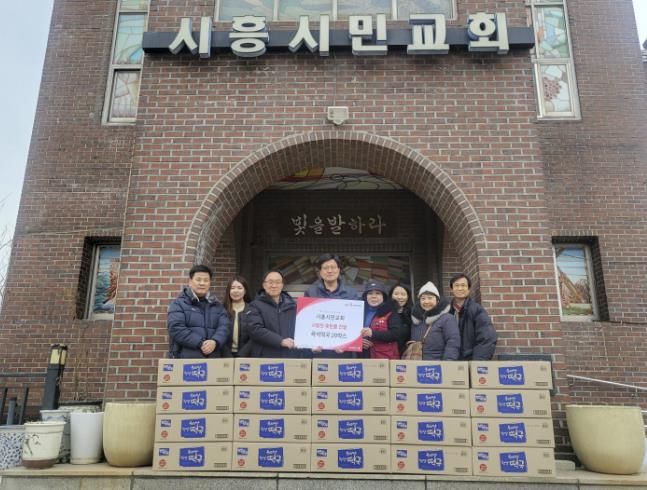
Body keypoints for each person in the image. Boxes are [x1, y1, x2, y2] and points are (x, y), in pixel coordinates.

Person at [167, 264, 231, 358]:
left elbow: (225, 327)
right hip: (186, 359)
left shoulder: (218, 306)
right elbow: (176, 327)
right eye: (198, 279)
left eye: (206, 280)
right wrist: (200, 343)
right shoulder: (178, 304)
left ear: (210, 283)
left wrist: (215, 341)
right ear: (190, 282)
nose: (202, 283)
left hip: (214, 358)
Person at [304, 254, 359, 358]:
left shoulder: (351, 293)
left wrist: (347, 344)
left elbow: (354, 322)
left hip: (343, 353)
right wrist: (310, 343)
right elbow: (306, 322)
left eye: (333, 267)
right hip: (318, 352)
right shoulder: (310, 293)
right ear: (320, 272)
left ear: (339, 270)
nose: (329, 271)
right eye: (325, 268)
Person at [246, 270, 304, 358]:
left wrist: (310, 344)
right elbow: (255, 329)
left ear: (282, 285)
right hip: (265, 357)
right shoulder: (255, 305)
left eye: (277, 282)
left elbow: (301, 329)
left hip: (289, 355)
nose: (274, 285)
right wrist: (280, 341)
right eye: (270, 282)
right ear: (264, 285)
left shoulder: (293, 306)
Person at [448, 273, 497, 360]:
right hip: (450, 362)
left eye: (463, 285)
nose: (460, 288)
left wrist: (476, 363)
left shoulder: (476, 310)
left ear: (468, 289)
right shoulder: (447, 312)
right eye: (456, 285)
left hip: (471, 361)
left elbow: (487, 338)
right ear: (452, 289)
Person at [409, 281, 460, 360]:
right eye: (423, 298)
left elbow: (453, 342)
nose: (426, 301)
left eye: (430, 298)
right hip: (417, 364)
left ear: (437, 300)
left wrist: (448, 362)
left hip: (438, 365)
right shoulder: (417, 320)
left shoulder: (447, 318)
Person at [360, 280, 402, 359]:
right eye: (370, 293)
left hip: (383, 358)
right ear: (365, 296)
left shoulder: (390, 312)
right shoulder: (359, 311)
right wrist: (358, 342)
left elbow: (396, 334)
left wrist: (373, 333)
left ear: (383, 296)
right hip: (362, 356)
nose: (374, 296)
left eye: (378, 293)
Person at [222, 276, 253, 357]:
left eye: (239, 288)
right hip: (224, 355)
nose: (236, 291)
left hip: (246, 355)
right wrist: (227, 355)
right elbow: (218, 334)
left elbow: (255, 335)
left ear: (245, 291)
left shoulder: (253, 310)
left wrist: (242, 354)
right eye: (232, 288)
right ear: (228, 291)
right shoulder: (221, 310)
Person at [389, 283, 413, 356]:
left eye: (403, 294)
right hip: (387, 353)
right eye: (396, 294)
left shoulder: (413, 314)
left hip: (407, 354)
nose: (399, 297)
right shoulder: (384, 313)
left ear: (408, 296)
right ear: (391, 296)